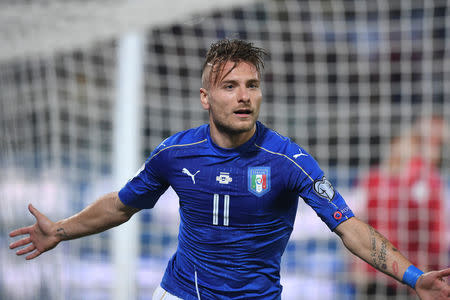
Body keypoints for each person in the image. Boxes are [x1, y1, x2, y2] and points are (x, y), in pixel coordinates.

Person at [9, 39, 450, 300]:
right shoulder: (175, 153)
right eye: (230, 86)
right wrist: (61, 231)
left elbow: (348, 226)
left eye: (252, 86)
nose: (244, 96)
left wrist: (413, 277)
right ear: (206, 97)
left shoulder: (287, 161)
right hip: (181, 292)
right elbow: (123, 205)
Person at [354, 115, 448, 298]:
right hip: (376, 272)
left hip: (412, 274)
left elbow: (435, 233)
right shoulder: (372, 180)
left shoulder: (427, 180)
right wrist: (357, 266)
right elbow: (355, 224)